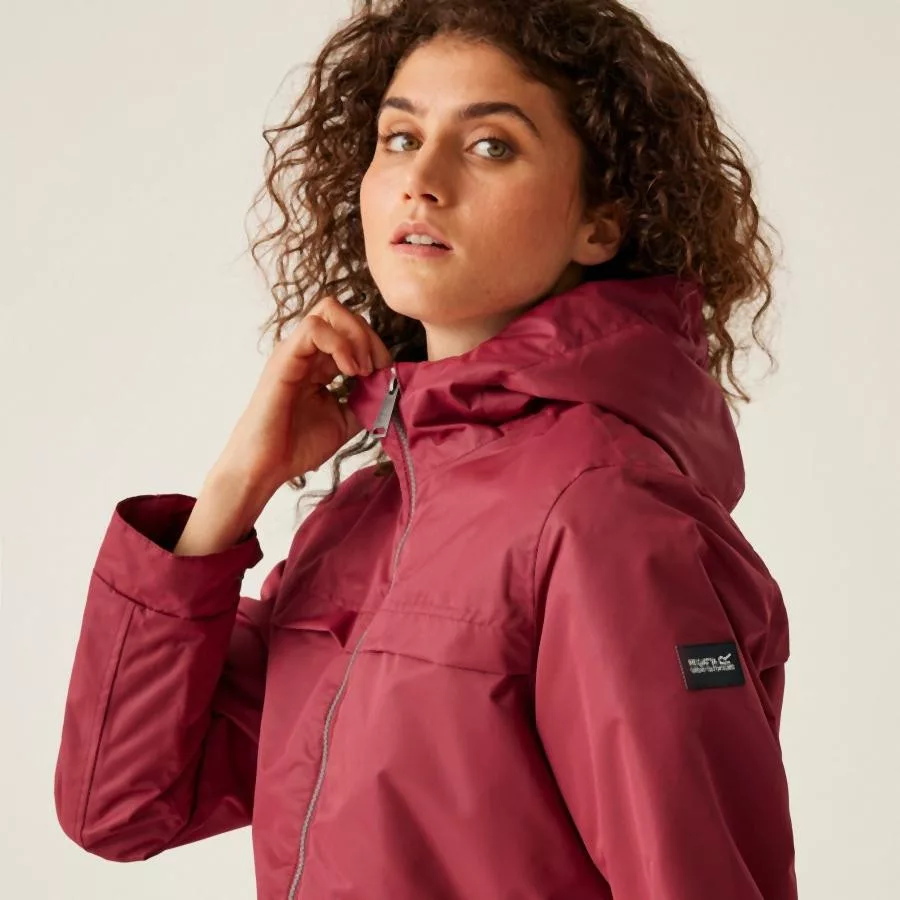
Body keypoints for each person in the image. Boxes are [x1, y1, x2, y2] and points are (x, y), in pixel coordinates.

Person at [54, 1, 798, 897]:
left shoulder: (604, 514)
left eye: (491, 146)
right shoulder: (367, 517)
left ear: (600, 223)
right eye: (400, 138)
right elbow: (122, 806)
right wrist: (233, 490)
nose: (422, 180)